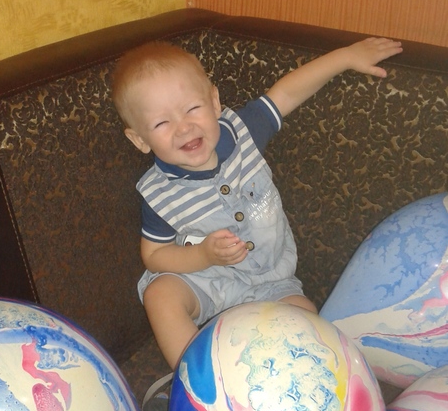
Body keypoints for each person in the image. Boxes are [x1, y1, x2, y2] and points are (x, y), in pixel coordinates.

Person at [112, 36, 402, 373]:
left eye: (192, 109)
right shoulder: (158, 192)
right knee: (159, 294)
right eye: (162, 123)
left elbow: (286, 93)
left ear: (214, 102)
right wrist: (202, 255)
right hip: (206, 281)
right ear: (140, 139)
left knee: (306, 318)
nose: (184, 127)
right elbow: (155, 255)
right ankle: (197, 378)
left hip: (272, 282)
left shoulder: (243, 132)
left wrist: (345, 57)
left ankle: (270, 376)